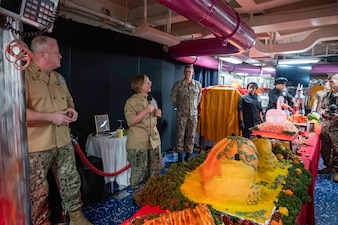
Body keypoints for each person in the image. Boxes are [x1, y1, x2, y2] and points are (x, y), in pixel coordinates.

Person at [25, 36, 92, 225]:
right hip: (37, 146)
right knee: (37, 192)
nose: (61, 56)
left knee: (71, 181)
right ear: (43, 54)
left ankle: (77, 218)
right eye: (56, 52)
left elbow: (69, 100)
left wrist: (72, 110)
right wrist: (50, 117)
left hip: (62, 141)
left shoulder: (58, 78)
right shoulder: (24, 76)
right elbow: (15, 113)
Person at [124, 74, 162, 200]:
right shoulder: (131, 102)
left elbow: (154, 117)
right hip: (139, 143)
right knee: (139, 171)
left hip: (154, 141)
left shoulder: (152, 99)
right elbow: (131, 122)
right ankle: (138, 195)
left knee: (155, 169)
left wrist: (158, 113)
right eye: (147, 82)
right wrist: (146, 111)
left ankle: (153, 191)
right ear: (139, 85)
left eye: (149, 81)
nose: (150, 83)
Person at [170, 64, 202, 161]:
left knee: (191, 135)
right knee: (180, 134)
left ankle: (188, 154)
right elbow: (173, 99)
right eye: (186, 71)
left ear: (193, 73)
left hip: (193, 114)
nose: (188, 74)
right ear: (184, 73)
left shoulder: (197, 85)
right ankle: (179, 155)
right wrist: (181, 107)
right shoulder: (178, 85)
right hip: (181, 114)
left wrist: (192, 108)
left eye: (190, 72)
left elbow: (199, 99)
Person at [319, 74, 338, 182]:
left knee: (337, 150)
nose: (330, 84)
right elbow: (322, 107)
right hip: (327, 126)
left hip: (337, 128)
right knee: (325, 148)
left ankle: (337, 171)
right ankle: (328, 166)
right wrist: (322, 112)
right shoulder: (327, 95)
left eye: (333, 82)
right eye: (329, 82)